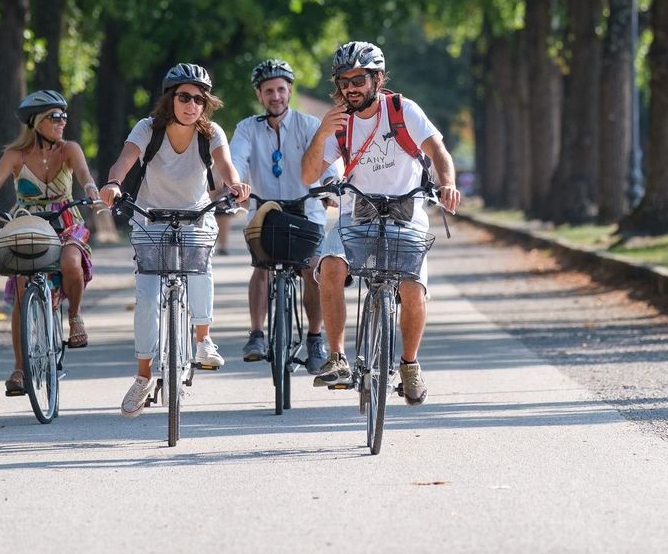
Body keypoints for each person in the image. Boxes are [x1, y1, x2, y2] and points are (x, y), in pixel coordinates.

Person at [300, 42, 461, 405]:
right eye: (343, 81)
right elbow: (307, 173)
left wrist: (447, 182)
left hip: (405, 210)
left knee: (412, 287)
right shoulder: (338, 122)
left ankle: (408, 364)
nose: (350, 88)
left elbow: (438, 151)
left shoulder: (402, 110)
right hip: (357, 211)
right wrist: (322, 133)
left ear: (377, 78)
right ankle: (337, 356)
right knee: (329, 266)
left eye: (358, 79)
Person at [99, 63, 251, 418]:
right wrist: (113, 184)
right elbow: (124, 161)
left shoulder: (210, 132)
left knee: (200, 268)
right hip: (151, 216)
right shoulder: (148, 128)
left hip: (195, 214)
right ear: (170, 98)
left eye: (199, 99)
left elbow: (225, 166)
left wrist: (234, 185)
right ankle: (142, 377)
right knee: (148, 297)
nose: (192, 104)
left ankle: (202, 340)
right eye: (185, 96)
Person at [0, 90, 99, 396]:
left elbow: (84, 175)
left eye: (64, 116)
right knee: (20, 288)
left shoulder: (69, 149)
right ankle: (19, 368)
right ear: (35, 122)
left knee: (70, 261)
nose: (62, 122)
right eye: (54, 117)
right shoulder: (15, 156)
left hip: (66, 220)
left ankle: (74, 318)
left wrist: (93, 190)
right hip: (28, 224)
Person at [229, 58, 336, 374]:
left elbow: (329, 160)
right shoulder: (247, 127)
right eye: (268, 91)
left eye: (280, 89)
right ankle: (257, 335)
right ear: (259, 95)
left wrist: (330, 187)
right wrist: (235, 182)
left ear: (289, 91)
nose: (275, 96)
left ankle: (316, 338)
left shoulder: (308, 125)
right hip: (265, 210)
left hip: (307, 209)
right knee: (261, 267)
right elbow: (235, 158)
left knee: (311, 270)